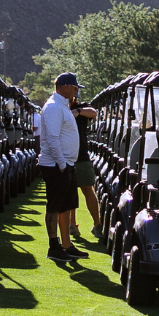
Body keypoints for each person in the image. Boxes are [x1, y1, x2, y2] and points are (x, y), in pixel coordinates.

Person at [36, 73, 85, 261]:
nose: (76, 91)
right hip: (57, 165)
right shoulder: (54, 107)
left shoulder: (61, 106)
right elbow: (52, 138)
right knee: (55, 206)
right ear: (65, 87)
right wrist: (62, 163)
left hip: (65, 164)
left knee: (65, 206)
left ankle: (66, 245)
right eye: (74, 87)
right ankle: (53, 247)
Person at [74, 101, 104, 248]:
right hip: (66, 154)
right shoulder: (58, 107)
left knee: (88, 189)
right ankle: (72, 224)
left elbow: (93, 112)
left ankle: (97, 224)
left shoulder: (81, 107)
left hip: (81, 155)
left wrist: (78, 111)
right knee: (69, 190)